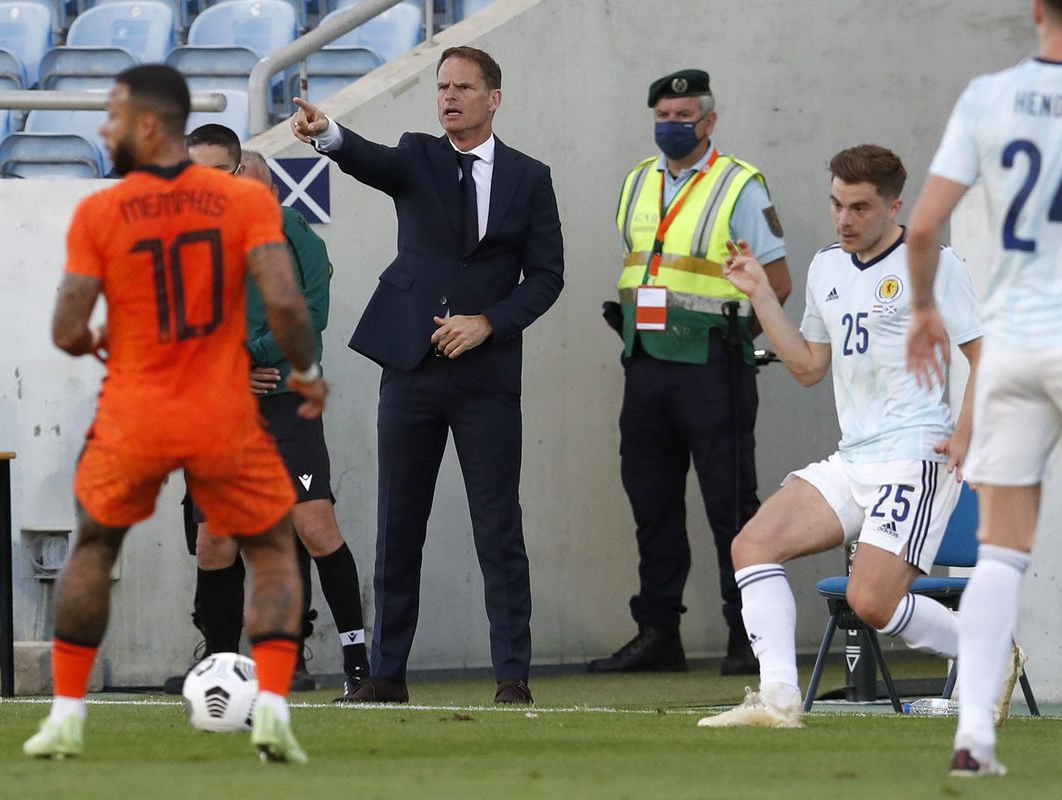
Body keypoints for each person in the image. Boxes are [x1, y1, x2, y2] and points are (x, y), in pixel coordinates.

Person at [22, 65, 326, 764]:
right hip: (224, 409)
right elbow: (284, 304)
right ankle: (274, 708)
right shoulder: (243, 203)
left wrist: (97, 340)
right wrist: (305, 374)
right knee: (274, 551)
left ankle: (66, 714)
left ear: (150, 124)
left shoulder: (102, 211)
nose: (106, 128)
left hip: (134, 412)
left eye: (116, 115)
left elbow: (67, 327)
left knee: (94, 547)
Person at [290, 45, 564, 704]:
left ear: (493, 98)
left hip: (487, 374)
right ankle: (386, 676)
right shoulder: (416, 155)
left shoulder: (530, 177)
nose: (449, 97)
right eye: (442, 87)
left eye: (464, 88)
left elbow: (549, 276)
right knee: (398, 525)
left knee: (498, 528)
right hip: (410, 370)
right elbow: (369, 160)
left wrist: (487, 323)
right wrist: (326, 132)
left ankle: (512, 678)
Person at [696, 145, 984, 728]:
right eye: (835, 204)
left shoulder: (930, 260)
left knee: (871, 603)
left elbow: (987, 354)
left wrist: (965, 436)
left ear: (894, 205)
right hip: (854, 459)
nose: (844, 219)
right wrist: (756, 291)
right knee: (752, 546)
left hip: (914, 455)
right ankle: (778, 699)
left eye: (859, 207)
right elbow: (806, 367)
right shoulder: (827, 265)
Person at [589, 69, 791, 677]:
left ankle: (747, 635)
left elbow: (776, 285)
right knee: (651, 505)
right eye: (662, 115)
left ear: (709, 121)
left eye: (682, 115)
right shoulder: (636, 183)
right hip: (646, 366)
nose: (670, 125)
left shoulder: (740, 185)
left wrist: (729, 340)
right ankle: (659, 634)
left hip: (712, 367)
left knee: (731, 507)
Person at [904, 0, 1062, 777]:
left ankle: (974, 738)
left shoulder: (988, 95)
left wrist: (925, 307)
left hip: (1011, 346)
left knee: (1001, 553)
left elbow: (926, 226)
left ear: (1036, 10)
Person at [171, 124, 369, 698]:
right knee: (216, 542)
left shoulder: (291, 233)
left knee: (315, 526)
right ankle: (224, 669)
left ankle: (358, 667)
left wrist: (248, 353)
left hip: (287, 406)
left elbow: (309, 315)